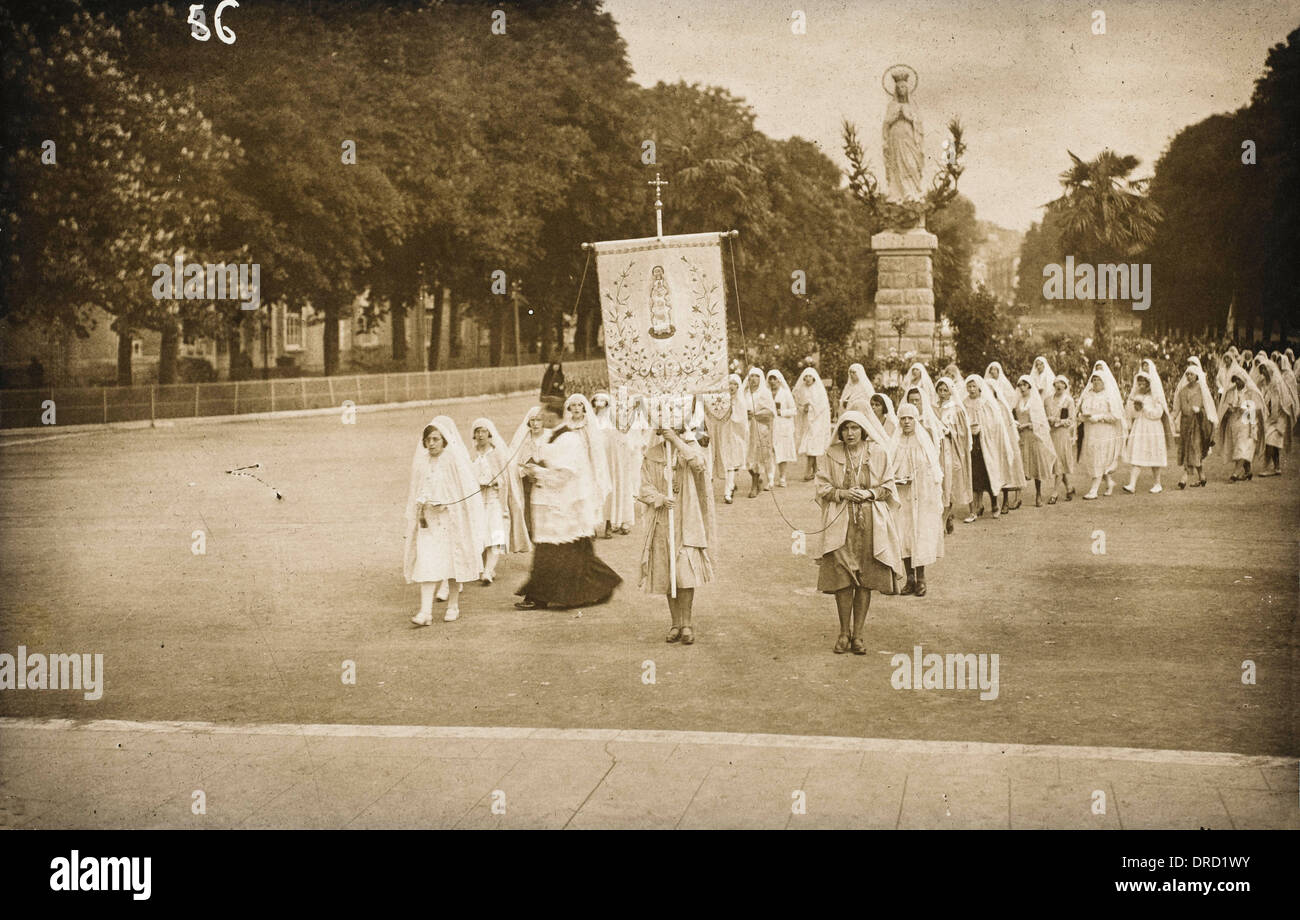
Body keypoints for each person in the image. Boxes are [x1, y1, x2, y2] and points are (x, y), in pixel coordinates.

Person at [811, 410, 904, 655]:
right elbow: (821, 486)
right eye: (845, 428)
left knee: (865, 578)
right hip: (841, 521)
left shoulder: (878, 453)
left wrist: (870, 493)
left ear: (863, 430)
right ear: (839, 432)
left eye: (854, 428)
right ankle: (843, 632)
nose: (850, 433)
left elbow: (889, 486)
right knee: (843, 577)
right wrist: (842, 493)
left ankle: (859, 634)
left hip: (870, 521)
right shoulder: (832, 454)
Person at [516, 399, 622, 609]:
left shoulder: (568, 439)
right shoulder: (552, 436)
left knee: (562, 554)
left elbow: (564, 474)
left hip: (565, 507)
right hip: (552, 506)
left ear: (553, 414)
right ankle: (546, 595)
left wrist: (537, 472)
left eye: (544, 413)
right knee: (563, 553)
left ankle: (541, 597)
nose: (541, 417)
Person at [403, 416, 488, 625]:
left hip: (449, 522)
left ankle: (453, 604)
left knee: (451, 564)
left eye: (435, 439)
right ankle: (425, 612)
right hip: (428, 523)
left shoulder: (452, 461)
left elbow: (465, 492)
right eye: (428, 440)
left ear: (444, 441)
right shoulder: (422, 463)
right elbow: (417, 490)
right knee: (427, 563)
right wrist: (422, 504)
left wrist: (448, 503)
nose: (431, 444)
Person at [637, 425, 717, 645]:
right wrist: (660, 498)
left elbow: (699, 465)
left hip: (687, 519)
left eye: (675, 430)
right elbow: (643, 488)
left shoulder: (689, 450)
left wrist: (678, 442)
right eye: (665, 431)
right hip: (663, 520)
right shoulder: (652, 455)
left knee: (685, 573)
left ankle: (687, 623)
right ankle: (675, 623)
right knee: (668, 572)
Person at [470, 417, 530, 584]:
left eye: (483, 431)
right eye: (477, 431)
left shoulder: (497, 453)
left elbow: (506, 477)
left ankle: (488, 571)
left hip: (495, 498)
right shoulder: (473, 454)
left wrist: (495, 482)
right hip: (477, 499)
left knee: (496, 532)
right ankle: (486, 567)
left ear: (489, 433)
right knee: (480, 533)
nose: (480, 435)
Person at [892, 403, 944, 596]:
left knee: (919, 535)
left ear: (916, 420)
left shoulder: (923, 441)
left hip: (921, 496)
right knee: (903, 535)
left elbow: (933, 469)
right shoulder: (895, 441)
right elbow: (890, 467)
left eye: (910, 418)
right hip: (902, 495)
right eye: (903, 418)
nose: (906, 422)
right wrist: (897, 478)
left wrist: (922, 480)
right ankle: (909, 579)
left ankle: (921, 578)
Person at [962, 375, 1018, 517]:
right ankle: (978, 505)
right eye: (969, 386)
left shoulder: (987, 402)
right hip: (972, 444)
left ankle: (995, 503)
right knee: (974, 475)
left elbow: (996, 423)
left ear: (979, 387)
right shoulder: (965, 403)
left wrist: (983, 428)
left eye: (974, 386)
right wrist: (969, 429)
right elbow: (962, 422)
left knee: (989, 473)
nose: (971, 389)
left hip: (987, 444)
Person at [564, 393, 613, 535]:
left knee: (593, 492)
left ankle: (599, 525)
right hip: (573, 464)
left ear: (584, 407)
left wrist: (594, 464)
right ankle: (583, 526)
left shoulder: (589, 423)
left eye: (579, 405)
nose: (576, 408)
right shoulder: (567, 425)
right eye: (573, 405)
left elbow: (595, 445)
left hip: (589, 463)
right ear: (569, 408)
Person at [1077, 364, 1127, 500]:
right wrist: (1082, 417)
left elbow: (1115, 416)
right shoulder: (1087, 395)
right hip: (1090, 431)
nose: (1095, 382)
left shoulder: (1109, 396)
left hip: (1104, 431)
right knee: (1092, 457)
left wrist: (1099, 418)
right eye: (1093, 380)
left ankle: (1094, 489)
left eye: (1098, 380)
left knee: (1099, 457)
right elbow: (1082, 411)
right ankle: (1109, 482)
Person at [1122, 362, 1172, 494]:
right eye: (1139, 384)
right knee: (1137, 453)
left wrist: (1145, 407)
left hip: (1153, 428)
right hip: (1140, 427)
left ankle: (1157, 483)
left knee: (1153, 454)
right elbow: (1132, 414)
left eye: (1144, 383)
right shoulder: (1136, 396)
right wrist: (1135, 408)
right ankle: (1132, 484)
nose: (1141, 386)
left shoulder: (1156, 396)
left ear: (1149, 384)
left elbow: (1158, 414)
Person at [592, 392, 637, 535]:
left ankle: (614, 521)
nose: (599, 403)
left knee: (615, 488)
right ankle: (595, 525)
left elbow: (624, 436)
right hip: (599, 460)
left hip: (613, 460)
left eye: (602, 400)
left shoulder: (613, 420)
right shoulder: (592, 420)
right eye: (597, 400)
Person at [1013, 375, 1060, 505]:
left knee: (1036, 466)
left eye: (1024, 385)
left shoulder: (1034, 401)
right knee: (1020, 467)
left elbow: (1040, 422)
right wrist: (1016, 424)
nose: (1022, 388)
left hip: (1034, 437)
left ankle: (1038, 495)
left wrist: (1028, 425)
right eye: (1020, 385)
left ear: (1029, 386)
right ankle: (1018, 497)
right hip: (1021, 437)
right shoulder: (1017, 402)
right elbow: (1013, 416)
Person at [934, 376, 974, 528]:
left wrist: (950, 432)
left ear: (951, 392)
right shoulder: (933, 408)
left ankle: (945, 518)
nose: (942, 393)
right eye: (940, 390)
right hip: (936, 447)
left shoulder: (956, 410)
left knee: (949, 482)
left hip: (950, 448)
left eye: (946, 390)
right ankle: (942, 516)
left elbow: (963, 432)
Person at [1170, 364, 1217, 489]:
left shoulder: (1202, 390)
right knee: (1189, 449)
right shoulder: (1182, 391)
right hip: (1185, 424)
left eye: (1192, 374)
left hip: (1197, 424)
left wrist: (1200, 411)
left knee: (1194, 448)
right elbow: (1177, 408)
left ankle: (1184, 478)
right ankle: (1202, 476)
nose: (1189, 376)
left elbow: (1208, 407)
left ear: (1196, 376)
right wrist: (1172, 418)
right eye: (1187, 374)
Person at [509, 406, 547, 538]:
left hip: (546, 480)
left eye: (539, 420)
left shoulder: (549, 437)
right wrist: (525, 471)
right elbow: (513, 462)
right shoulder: (523, 440)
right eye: (532, 420)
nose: (535, 424)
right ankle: (530, 531)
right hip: (527, 481)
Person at [1254, 357, 1295, 475]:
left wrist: (1272, 419)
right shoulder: (1264, 383)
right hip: (1271, 416)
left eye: (1264, 369)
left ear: (1270, 370)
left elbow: (1278, 403)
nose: (1262, 372)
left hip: (1278, 417)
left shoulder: (1277, 383)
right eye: (1261, 370)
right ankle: (1277, 467)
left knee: (1270, 440)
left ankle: (1266, 467)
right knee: (1274, 442)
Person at [793, 367, 832, 481]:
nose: (808, 379)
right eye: (806, 377)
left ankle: (807, 471)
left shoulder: (819, 389)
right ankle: (815, 471)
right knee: (810, 445)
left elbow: (822, 405)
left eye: (810, 376)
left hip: (817, 421)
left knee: (812, 445)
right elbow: (797, 402)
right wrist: (802, 407)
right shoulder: (802, 389)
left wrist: (810, 407)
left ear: (814, 377)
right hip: (807, 421)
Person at [1043, 375, 1078, 501]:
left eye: (1061, 383)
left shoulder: (1068, 400)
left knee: (1059, 461)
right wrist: (1049, 420)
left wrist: (1058, 421)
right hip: (1051, 434)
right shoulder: (1047, 400)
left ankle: (1055, 493)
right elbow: (1043, 416)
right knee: (1057, 463)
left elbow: (1071, 420)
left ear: (1065, 385)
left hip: (1062, 433)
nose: (1059, 386)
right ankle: (1069, 487)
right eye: (1056, 383)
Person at [745, 366, 776, 498]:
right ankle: (756, 479)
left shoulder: (765, 393)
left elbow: (770, 412)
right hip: (744, 427)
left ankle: (754, 485)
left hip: (759, 427)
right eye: (751, 376)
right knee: (745, 456)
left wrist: (756, 413)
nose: (753, 379)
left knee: (757, 455)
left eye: (756, 376)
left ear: (761, 378)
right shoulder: (745, 393)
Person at [719, 373, 750, 503]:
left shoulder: (740, 401)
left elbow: (740, 419)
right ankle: (730, 485)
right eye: (729, 384)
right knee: (726, 462)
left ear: (738, 386)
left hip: (736, 436)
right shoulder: (723, 400)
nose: (731, 386)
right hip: (724, 434)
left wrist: (730, 411)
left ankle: (728, 492)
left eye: (734, 384)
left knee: (731, 463)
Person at [767, 369, 798, 488]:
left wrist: (782, 412)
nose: (772, 381)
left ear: (779, 380)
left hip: (782, 425)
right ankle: (770, 479)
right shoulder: (766, 393)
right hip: (769, 425)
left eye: (774, 379)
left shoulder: (785, 393)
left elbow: (794, 410)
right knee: (770, 452)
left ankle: (782, 477)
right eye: (770, 379)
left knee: (782, 452)